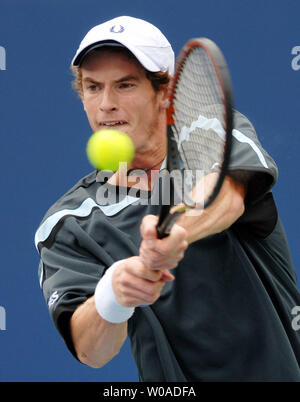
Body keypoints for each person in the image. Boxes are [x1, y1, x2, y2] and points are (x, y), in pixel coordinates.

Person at [35, 16, 300, 381]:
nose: (106, 105)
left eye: (125, 85)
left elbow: (226, 195)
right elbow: (89, 349)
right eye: (93, 87)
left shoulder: (211, 131)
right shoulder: (69, 222)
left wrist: (179, 230)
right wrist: (115, 292)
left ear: (164, 92)